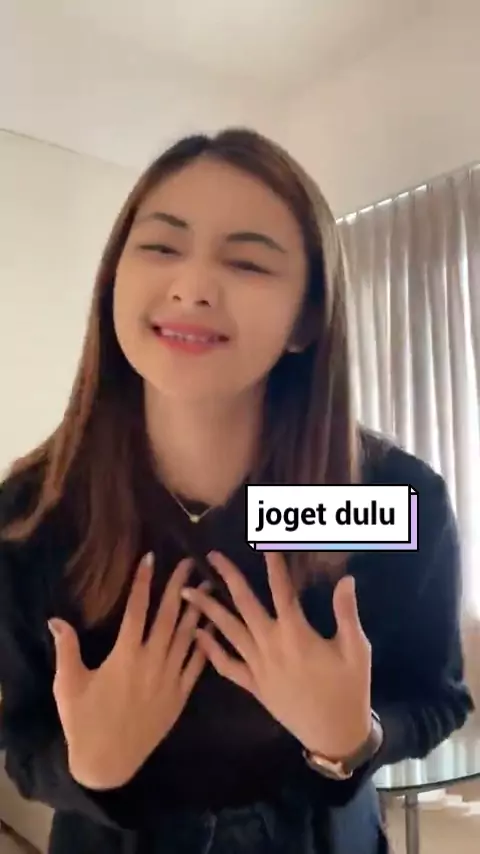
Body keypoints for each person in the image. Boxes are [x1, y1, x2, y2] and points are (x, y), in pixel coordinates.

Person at [0, 128, 474, 854]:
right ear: (114, 279)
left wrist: (353, 737)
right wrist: (90, 765)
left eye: (248, 261)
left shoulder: (394, 497)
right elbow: (22, 738)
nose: (192, 286)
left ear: (307, 318)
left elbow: (437, 698)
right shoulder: (32, 514)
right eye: (161, 247)